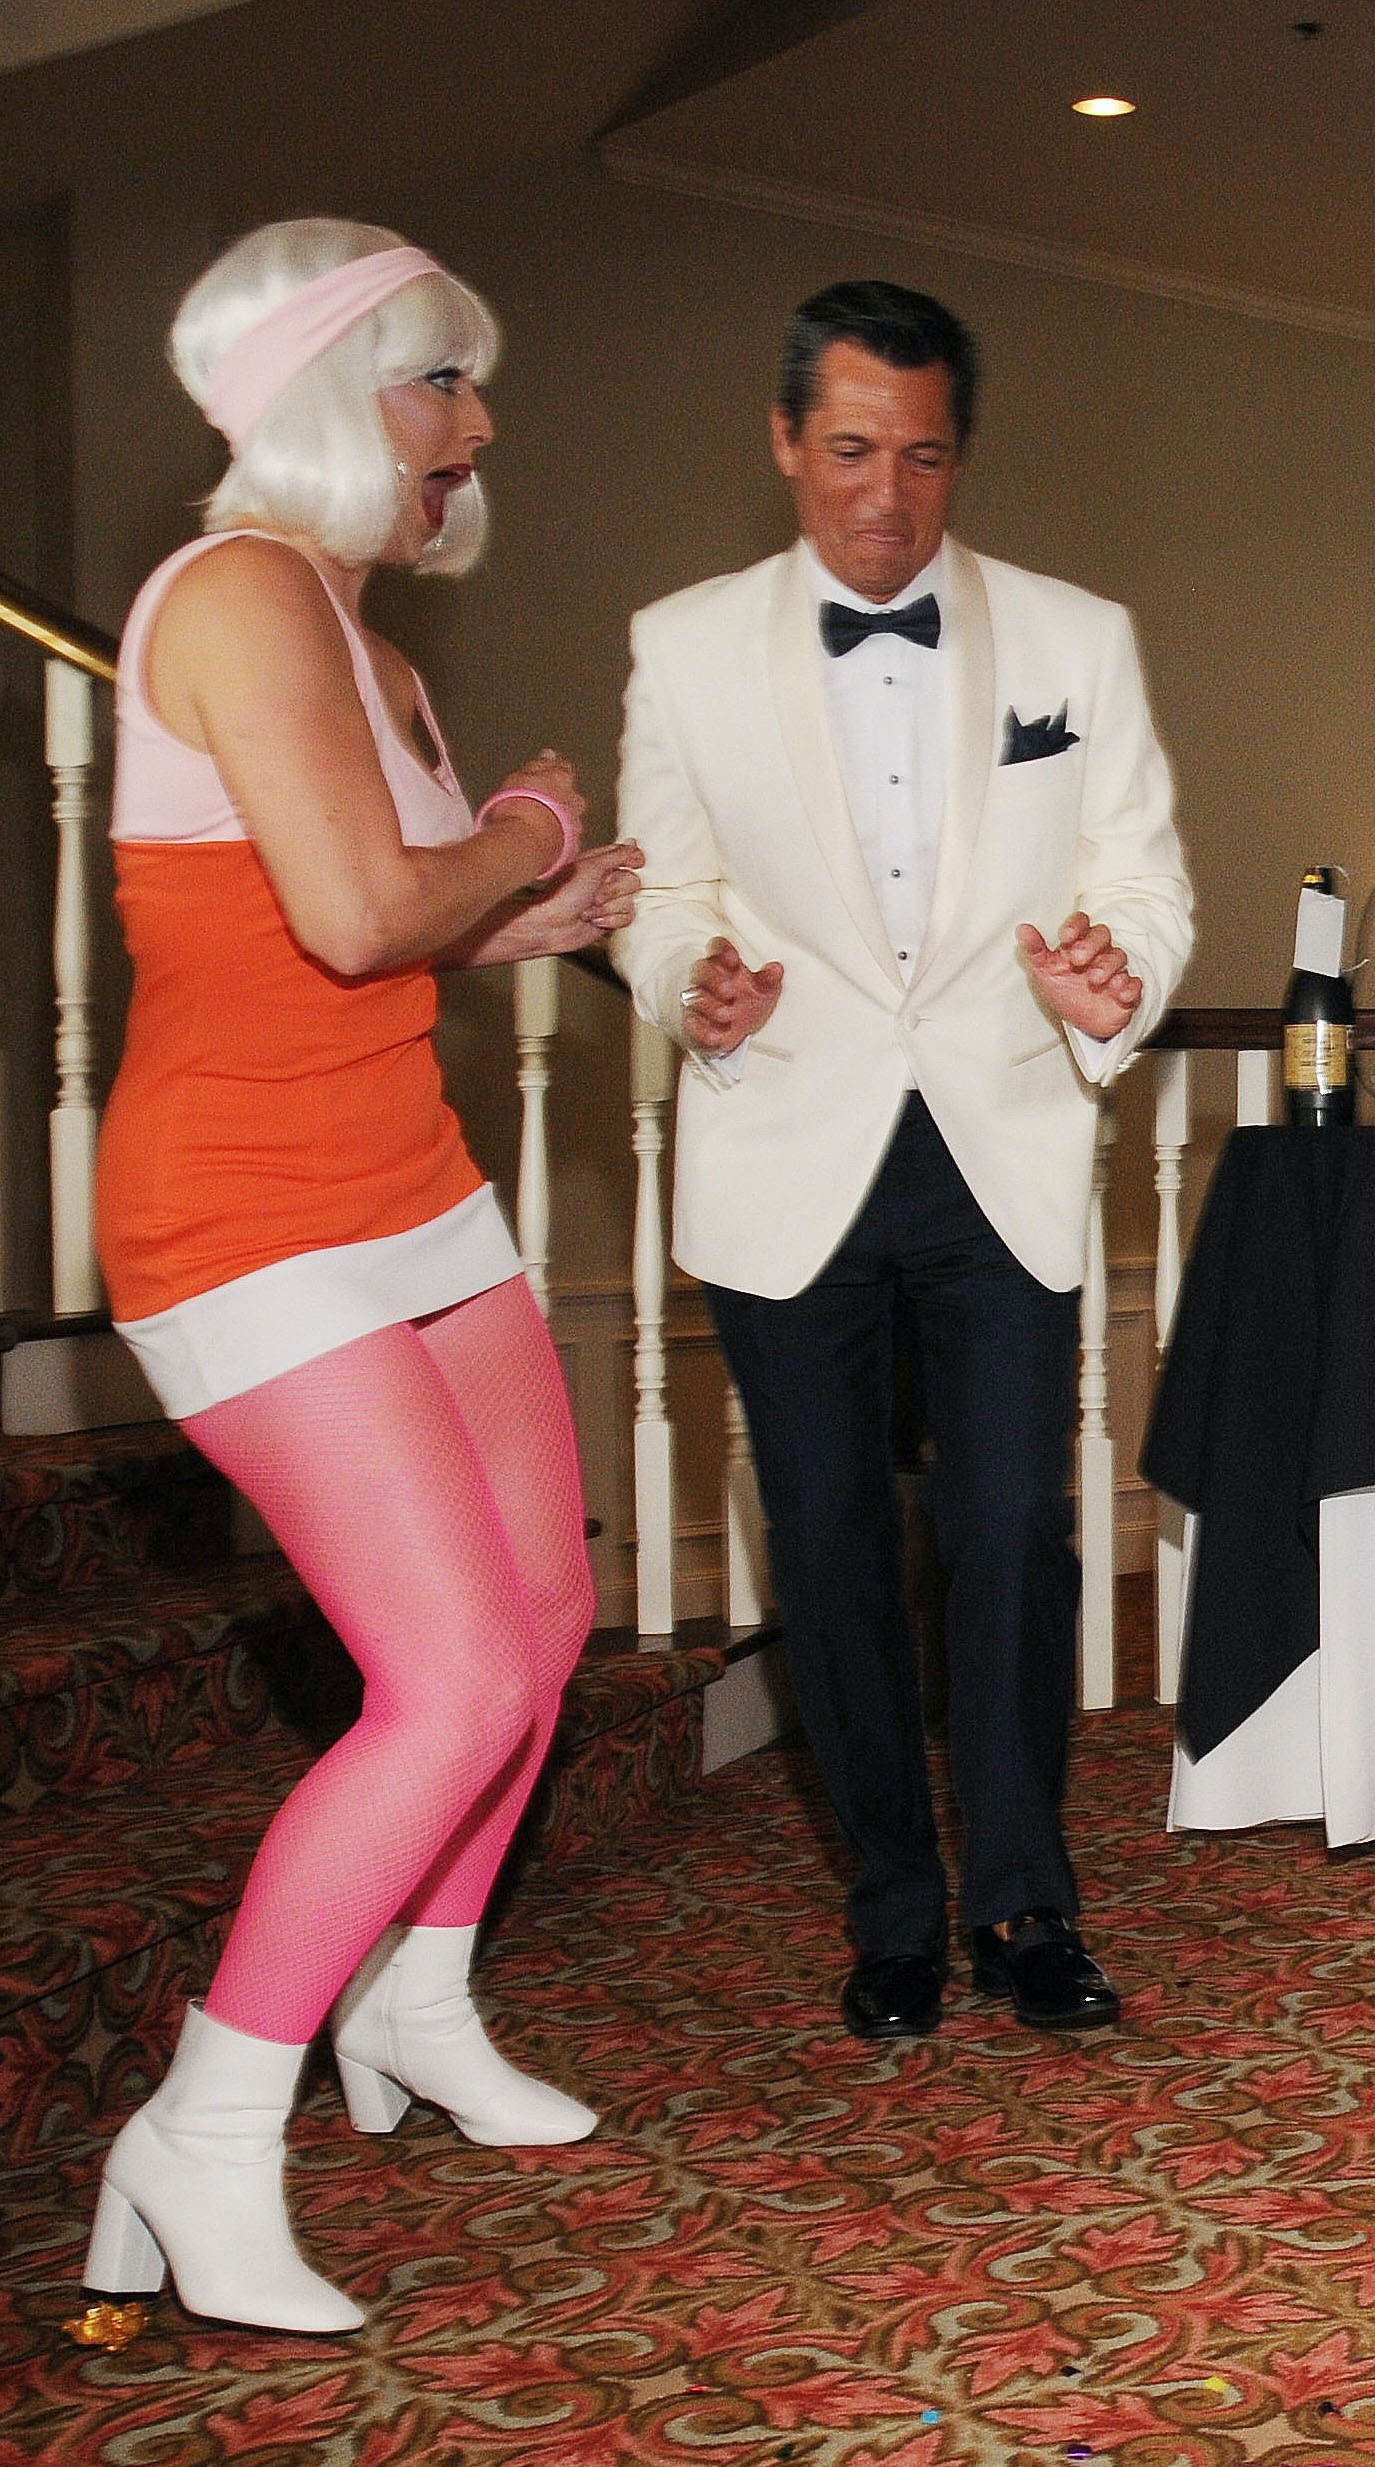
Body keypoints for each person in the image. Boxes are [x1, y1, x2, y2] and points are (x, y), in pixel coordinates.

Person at [81, 219, 642, 2335]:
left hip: (410, 1188)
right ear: (332, 398)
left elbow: (383, 923)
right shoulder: (231, 592)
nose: (475, 427)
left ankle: (416, 2005)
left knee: (553, 1608)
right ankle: (203, 2131)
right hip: (243, 1212)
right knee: (457, 1680)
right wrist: (513, 823)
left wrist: (528, 905)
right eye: (438, 383)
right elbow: (342, 909)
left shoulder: (363, 633)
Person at [613, 281, 1190, 2047]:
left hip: (1001, 1140)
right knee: (837, 1539)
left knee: (1017, 1526)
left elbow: (1147, 880)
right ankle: (892, 1906)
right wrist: (684, 986)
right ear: (788, 442)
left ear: (959, 455)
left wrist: (1122, 981)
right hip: (788, 1138)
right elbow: (662, 889)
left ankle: (1025, 1899)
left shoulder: (1080, 641)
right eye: (851, 451)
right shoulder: (684, 644)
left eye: (922, 457)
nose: (886, 495)